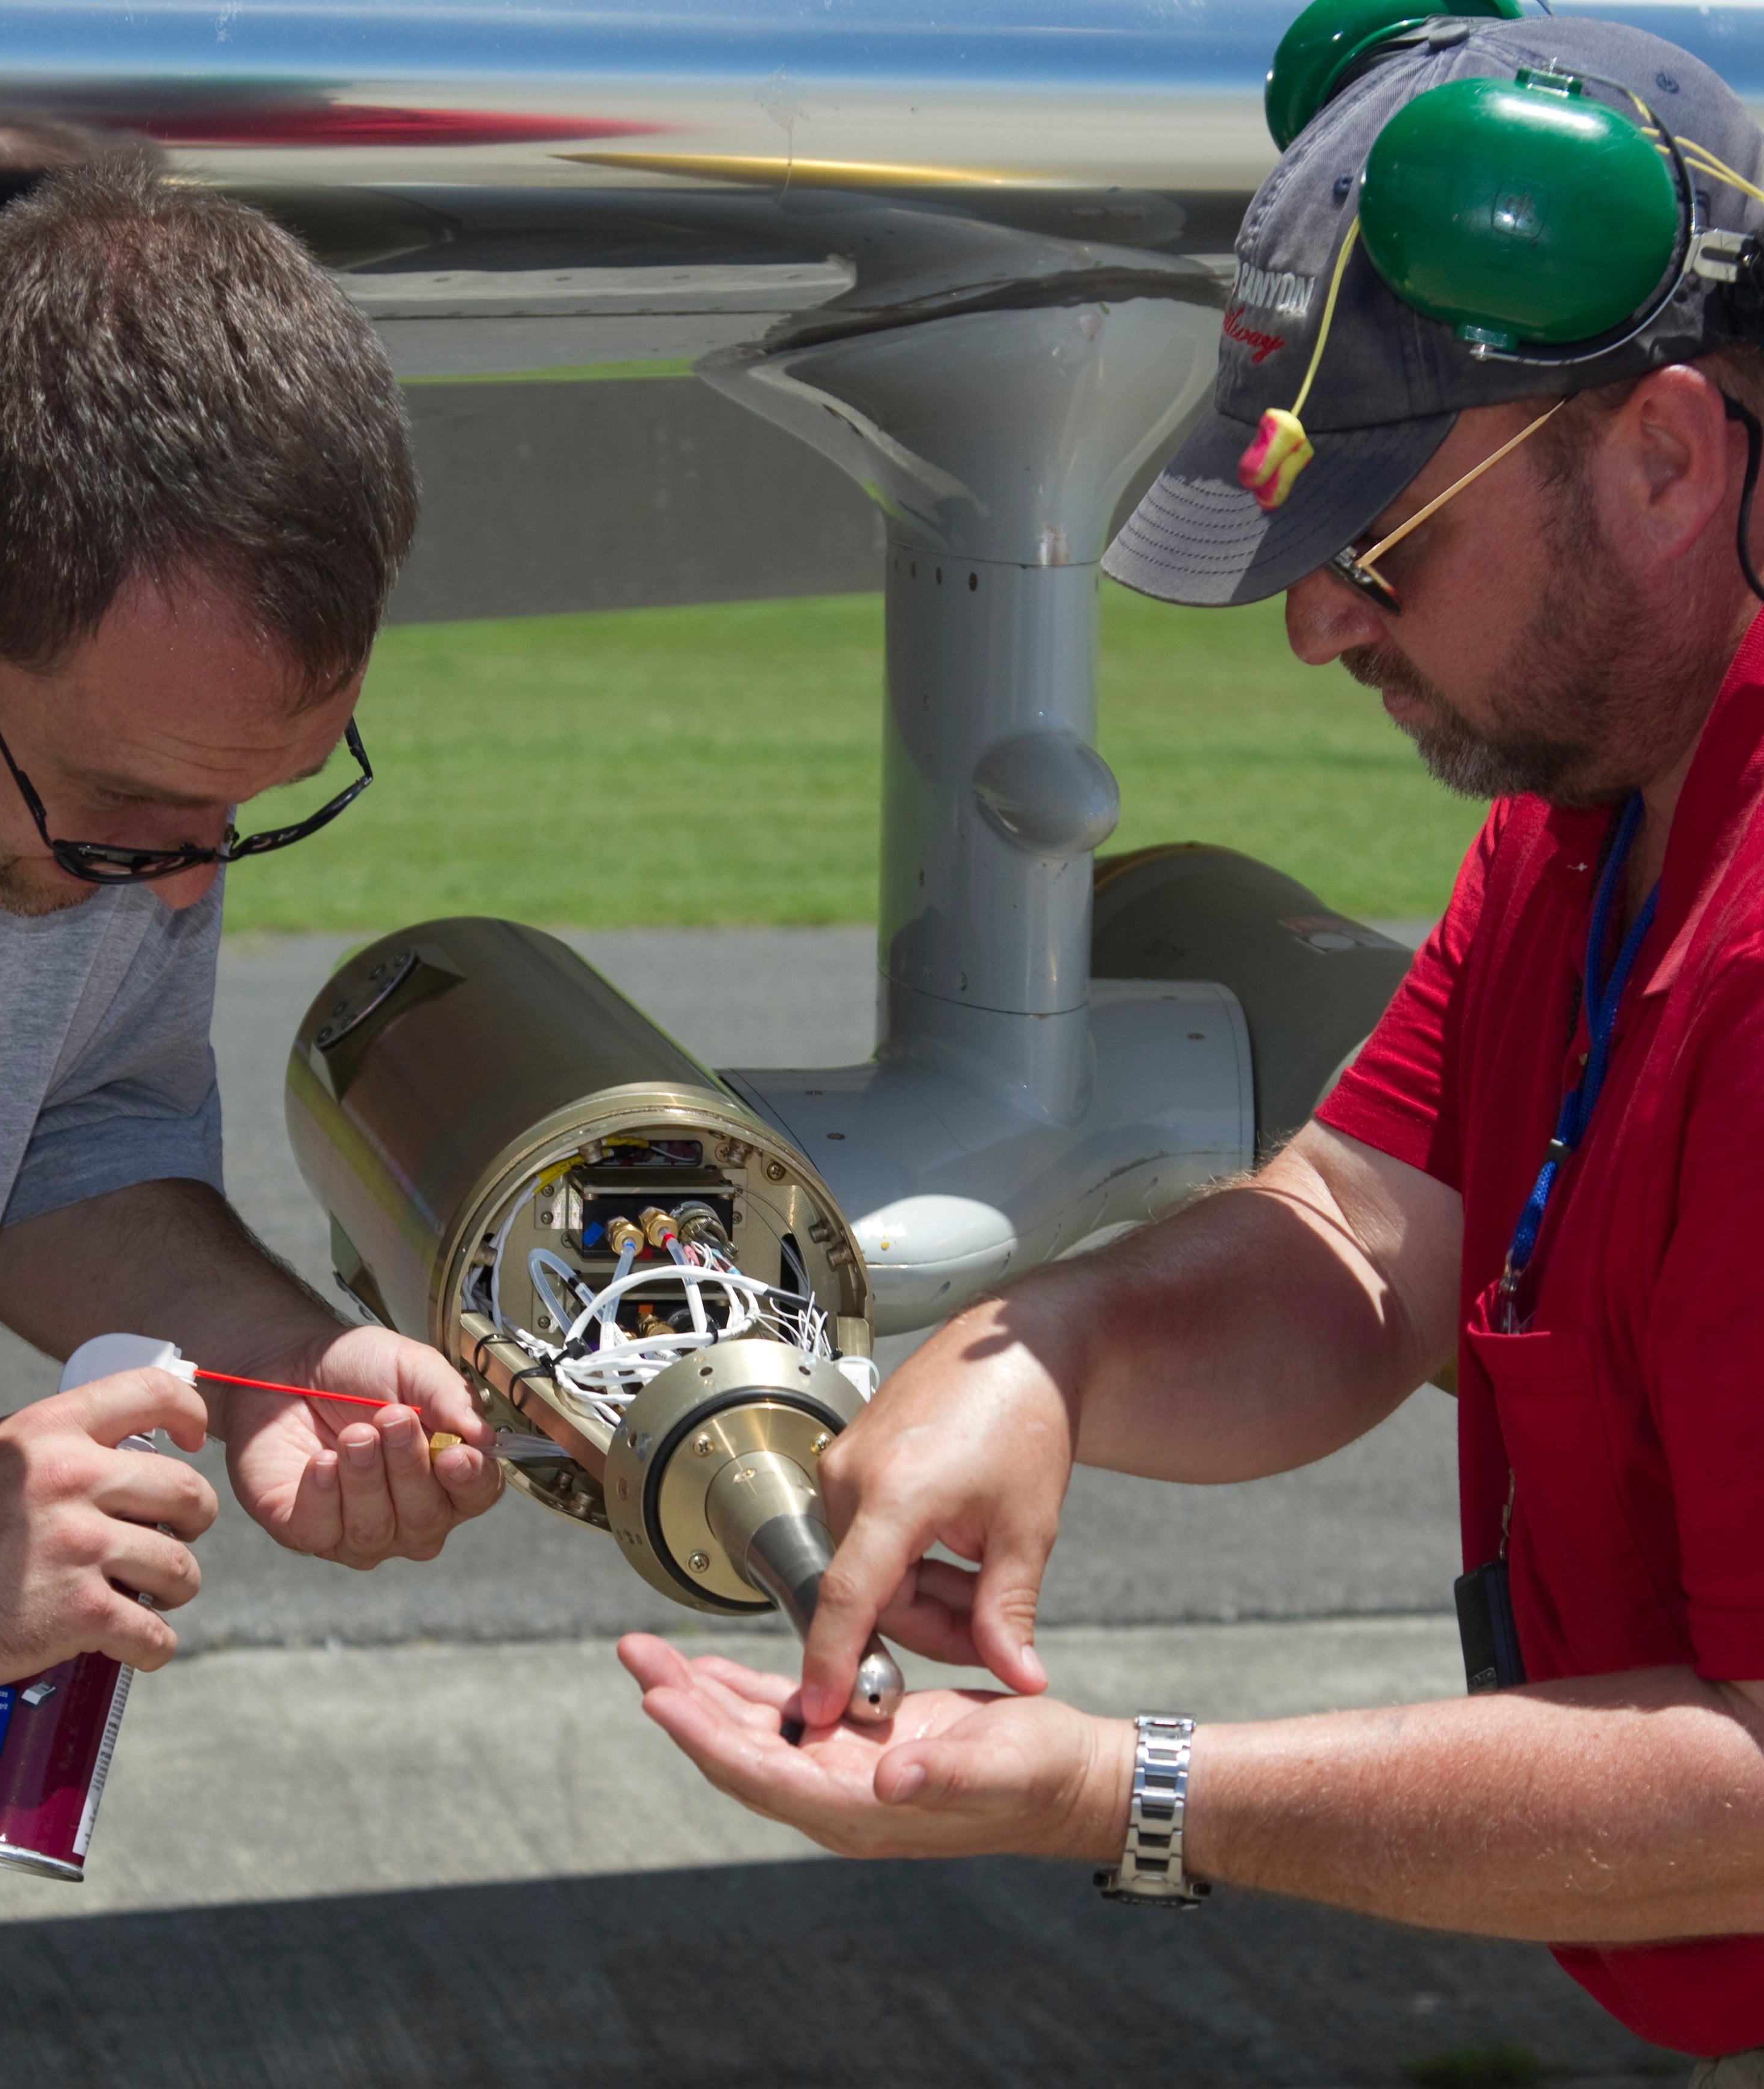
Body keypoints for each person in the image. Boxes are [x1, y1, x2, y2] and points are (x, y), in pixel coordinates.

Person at [621, 11, 1764, 2078]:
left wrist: (1126, 1791)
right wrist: (1035, 1353)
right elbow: (1360, 1236)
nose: (1320, 624)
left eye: (1383, 543)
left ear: (1671, 456)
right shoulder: (1602, 807)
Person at [0, 158, 502, 2084]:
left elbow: (61, 1137)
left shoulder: (81, 729)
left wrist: (292, 1362)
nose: (184, 894)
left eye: (258, 812)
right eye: (130, 818)